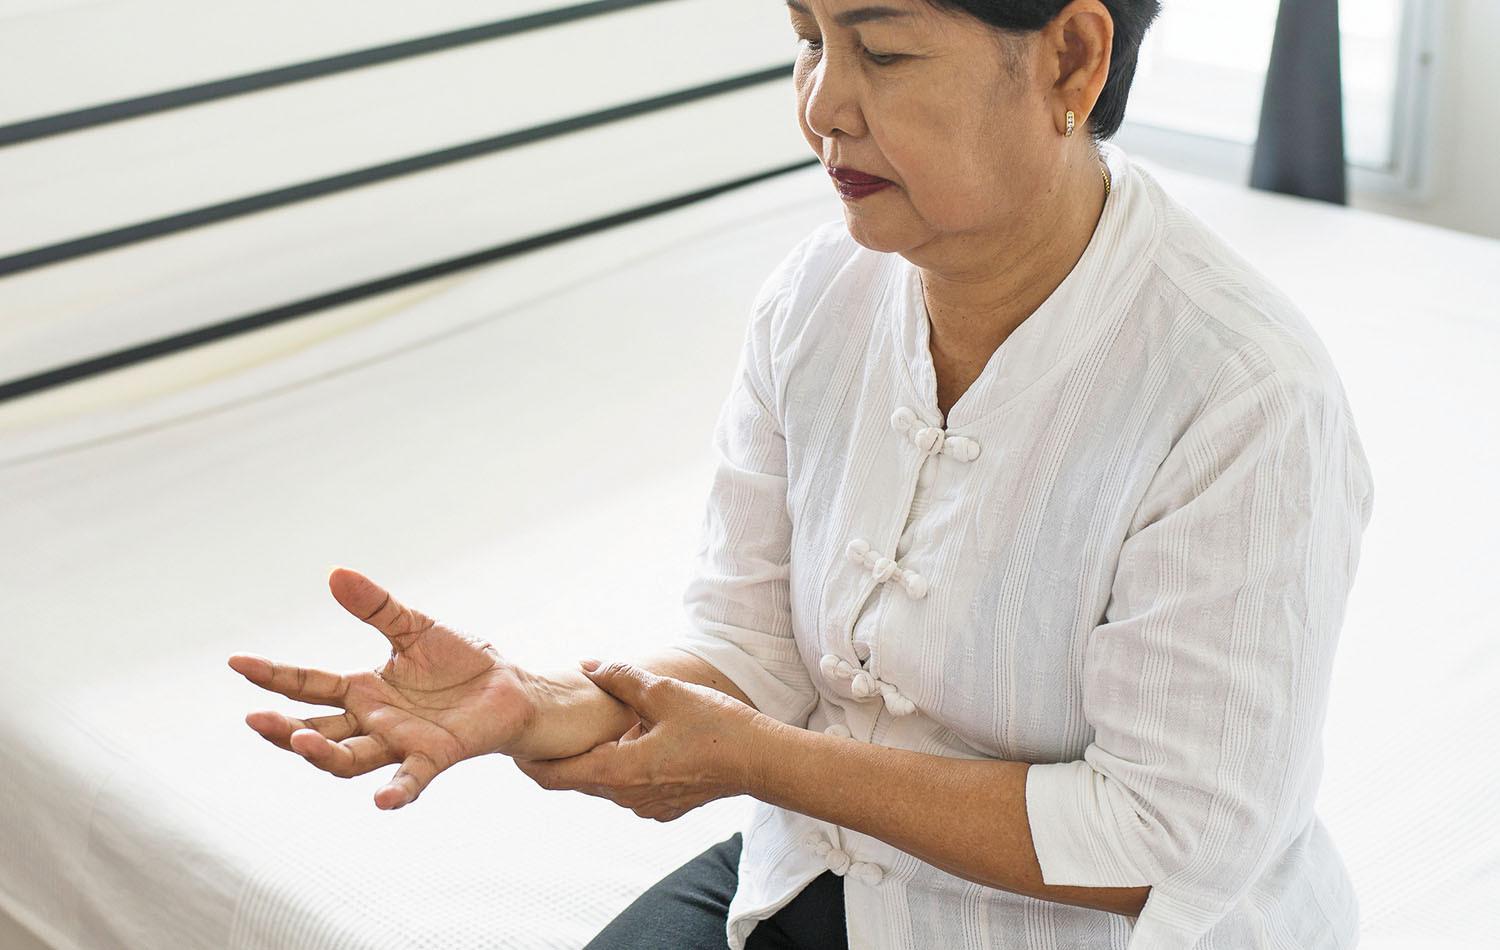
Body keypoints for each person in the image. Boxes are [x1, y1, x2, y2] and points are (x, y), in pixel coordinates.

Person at [228, 0, 1377, 947]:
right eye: (806, 38)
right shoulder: (818, 296)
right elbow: (754, 648)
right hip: (827, 878)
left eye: (880, 50)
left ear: (1071, 60)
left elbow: (1167, 836)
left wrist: (770, 761)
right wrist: (543, 704)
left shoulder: (1243, 397)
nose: (823, 105)